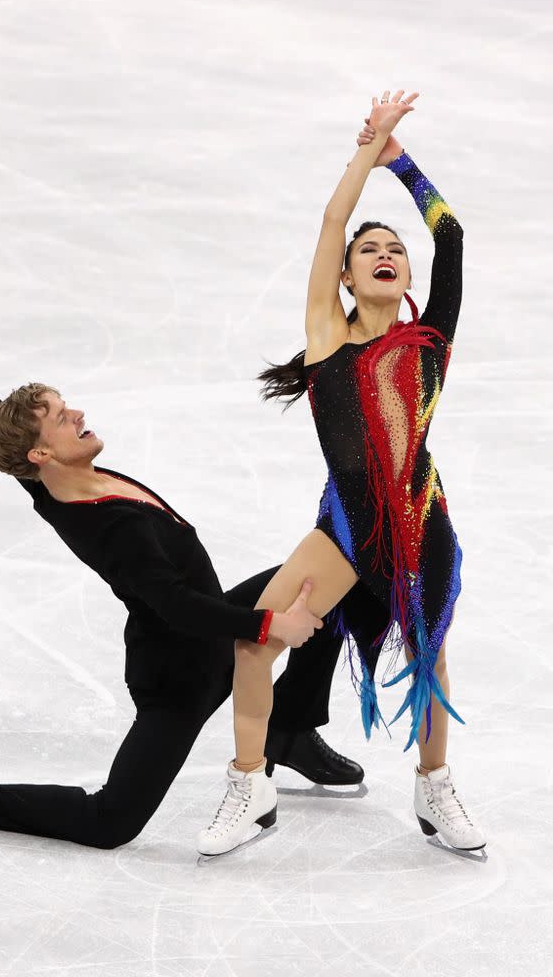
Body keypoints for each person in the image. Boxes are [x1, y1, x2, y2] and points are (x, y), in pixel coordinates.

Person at [0, 260, 378, 850]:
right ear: (42, 454)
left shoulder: (51, 475)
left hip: (213, 624)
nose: (76, 414)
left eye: (64, 405)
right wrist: (274, 624)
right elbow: (176, 607)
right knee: (109, 823)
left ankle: (292, 728)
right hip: (183, 673)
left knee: (348, 573)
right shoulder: (109, 529)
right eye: (60, 418)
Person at [197, 90, 486, 856]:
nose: (384, 253)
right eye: (370, 252)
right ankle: (249, 784)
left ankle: (435, 788)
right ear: (349, 282)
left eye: (393, 249)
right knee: (259, 640)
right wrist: (368, 153)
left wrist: (406, 166)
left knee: (430, 656)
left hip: (424, 520)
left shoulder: (431, 342)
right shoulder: (328, 338)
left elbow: (450, 233)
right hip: (349, 527)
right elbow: (332, 223)